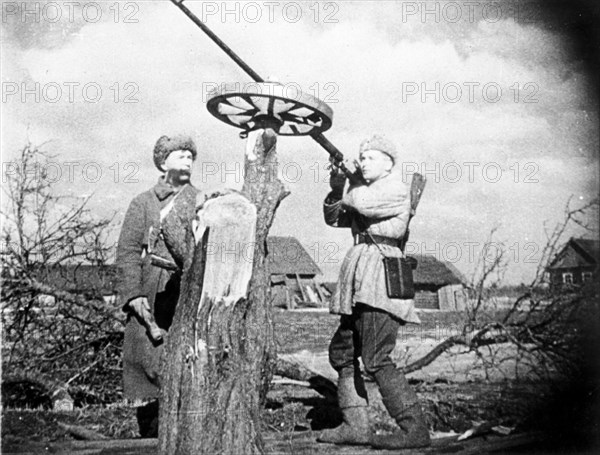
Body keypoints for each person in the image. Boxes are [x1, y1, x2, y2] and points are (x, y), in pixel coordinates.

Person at [317, 134, 431, 450]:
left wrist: (350, 181)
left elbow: (360, 203)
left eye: (370, 157)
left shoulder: (394, 190)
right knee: (342, 353)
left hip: (380, 280)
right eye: (361, 157)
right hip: (360, 279)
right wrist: (337, 181)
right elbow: (335, 217)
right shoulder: (363, 189)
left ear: (388, 163)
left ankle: (415, 431)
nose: (363, 161)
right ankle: (356, 427)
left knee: (376, 357)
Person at [116, 134, 199, 437]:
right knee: (152, 356)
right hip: (153, 284)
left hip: (189, 285)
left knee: (190, 353)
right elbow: (126, 252)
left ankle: (187, 421)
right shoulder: (143, 203)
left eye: (191, 155)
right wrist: (133, 295)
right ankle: (156, 425)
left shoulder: (201, 201)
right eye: (180, 154)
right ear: (163, 162)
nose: (187, 159)